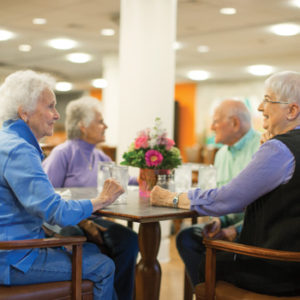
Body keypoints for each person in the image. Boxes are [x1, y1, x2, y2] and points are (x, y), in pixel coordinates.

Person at [151, 70, 300, 296]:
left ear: (292, 110)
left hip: (273, 269)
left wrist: (172, 198)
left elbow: (229, 198)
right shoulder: (279, 146)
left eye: (268, 100)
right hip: (292, 263)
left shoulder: (279, 149)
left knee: (206, 259)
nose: (260, 108)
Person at [0, 70, 125, 300]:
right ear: (24, 113)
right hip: (13, 259)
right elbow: (55, 212)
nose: (57, 115)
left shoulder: (7, 141)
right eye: (50, 106)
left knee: (93, 249)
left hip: (15, 249)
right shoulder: (19, 150)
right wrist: (102, 200)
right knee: (104, 266)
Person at [42, 96, 138, 300]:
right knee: (76, 233)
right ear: (83, 126)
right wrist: (82, 221)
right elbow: (46, 199)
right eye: (100, 121)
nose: (106, 126)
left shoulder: (100, 156)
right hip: (65, 220)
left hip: (95, 218)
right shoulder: (62, 153)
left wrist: (151, 177)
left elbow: (125, 181)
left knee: (129, 239)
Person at [176, 99, 261, 286]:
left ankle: (218, 288)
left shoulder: (262, 148)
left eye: (215, 121)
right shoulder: (222, 153)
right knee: (186, 238)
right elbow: (224, 198)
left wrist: (234, 230)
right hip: (228, 225)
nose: (212, 127)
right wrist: (218, 221)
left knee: (213, 256)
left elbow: (264, 208)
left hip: (253, 230)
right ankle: (206, 292)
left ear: (235, 123)